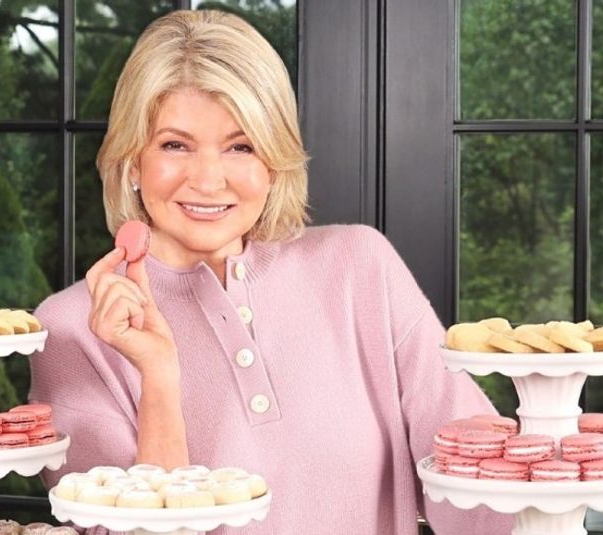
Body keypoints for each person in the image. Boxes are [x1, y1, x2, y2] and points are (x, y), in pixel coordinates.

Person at [29, 9, 513, 534]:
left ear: (273, 160)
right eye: (175, 145)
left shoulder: (359, 267)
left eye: (241, 146)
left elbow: (480, 500)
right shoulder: (74, 326)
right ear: (132, 162)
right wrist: (160, 379)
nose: (209, 180)